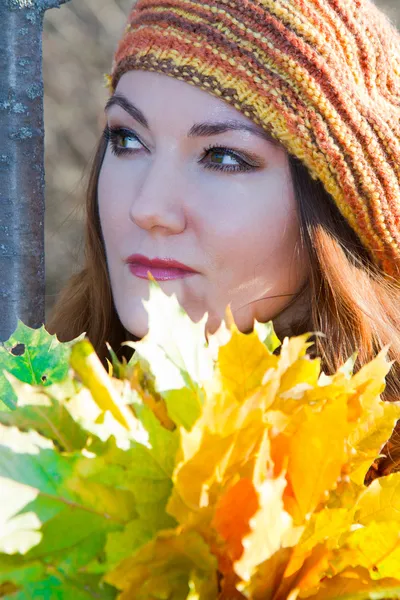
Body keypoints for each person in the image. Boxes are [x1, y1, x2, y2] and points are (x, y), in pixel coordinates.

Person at [47, 0, 400, 406]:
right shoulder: (31, 427)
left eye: (223, 157)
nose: (148, 209)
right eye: (127, 139)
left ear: (338, 206)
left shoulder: (375, 463)